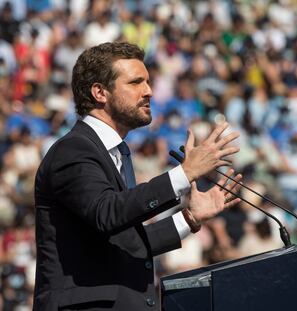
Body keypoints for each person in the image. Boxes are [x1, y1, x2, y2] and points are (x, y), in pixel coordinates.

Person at [33, 42, 241, 310]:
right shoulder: (73, 150)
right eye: (135, 82)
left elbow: (126, 242)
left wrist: (189, 219)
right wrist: (183, 173)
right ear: (99, 92)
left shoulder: (118, 153)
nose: (149, 92)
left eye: (148, 82)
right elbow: (107, 213)